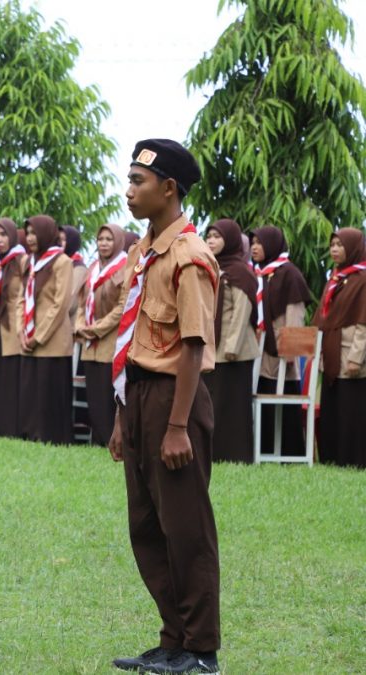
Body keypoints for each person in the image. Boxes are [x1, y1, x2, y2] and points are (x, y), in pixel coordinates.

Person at [108, 139, 221, 674]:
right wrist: (120, 416)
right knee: (147, 526)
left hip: (176, 399)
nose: (129, 191)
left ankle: (201, 651)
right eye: (129, 180)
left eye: (139, 182)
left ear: (169, 188)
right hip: (139, 397)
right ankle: (173, 638)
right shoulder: (143, 252)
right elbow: (134, 337)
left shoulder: (190, 256)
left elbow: (194, 348)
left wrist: (178, 426)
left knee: (186, 527)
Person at [250, 226, 312, 457]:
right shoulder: (262, 274)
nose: (254, 247)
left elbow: (295, 317)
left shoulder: (289, 273)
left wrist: (290, 353)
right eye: (252, 242)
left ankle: (290, 453)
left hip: (282, 354)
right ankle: (265, 451)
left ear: (272, 244)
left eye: (259, 242)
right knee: (264, 402)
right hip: (263, 351)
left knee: (285, 405)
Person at [202, 218, 259, 463]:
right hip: (211, 349)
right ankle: (211, 451)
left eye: (217, 236)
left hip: (233, 351)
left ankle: (235, 453)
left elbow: (241, 312)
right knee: (212, 402)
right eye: (209, 236)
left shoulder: (240, 272)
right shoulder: (209, 267)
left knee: (231, 405)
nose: (211, 241)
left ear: (231, 240)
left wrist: (231, 347)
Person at [18, 215, 74, 444]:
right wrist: (22, 331)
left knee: (50, 392)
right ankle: (31, 433)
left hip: (52, 341)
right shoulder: (27, 262)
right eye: (28, 233)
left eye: (34, 232)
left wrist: (37, 336)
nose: (30, 238)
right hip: (28, 337)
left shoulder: (62, 262)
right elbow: (20, 299)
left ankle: (53, 436)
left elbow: (60, 304)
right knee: (31, 392)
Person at [315, 228, 366, 468]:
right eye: (332, 244)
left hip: (351, 356)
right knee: (334, 408)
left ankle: (353, 460)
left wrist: (356, 358)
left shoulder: (363, 279)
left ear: (353, 247)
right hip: (333, 354)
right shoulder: (336, 279)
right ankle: (332, 457)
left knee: (352, 409)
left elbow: (363, 324)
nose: (334, 249)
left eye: (340, 244)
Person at [74, 223, 129, 446]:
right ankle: (98, 440)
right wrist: (80, 324)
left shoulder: (125, 267)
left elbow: (122, 308)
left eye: (108, 239)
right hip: (89, 344)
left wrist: (96, 328)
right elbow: (81, 302)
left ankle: (112, 443)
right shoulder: (93, 268)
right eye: (100, 239)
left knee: (109, 398)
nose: (103, 243)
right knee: (94, 397)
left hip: (110, 343)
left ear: (117, 242)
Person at [0, 218, 29, 437]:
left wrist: (24, 328)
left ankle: (13, 427)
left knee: (13, 378)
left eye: (3, 235)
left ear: (11, 236)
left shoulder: (21, 261)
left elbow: (25, 296)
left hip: (15, 325)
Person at [61, 224, 90, 323]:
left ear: (71, 242)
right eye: (57, 240)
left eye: (63, 240)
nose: (59, 243)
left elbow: (71, 303)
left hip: (67, 324)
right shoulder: (57, 264)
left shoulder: (78, 267)